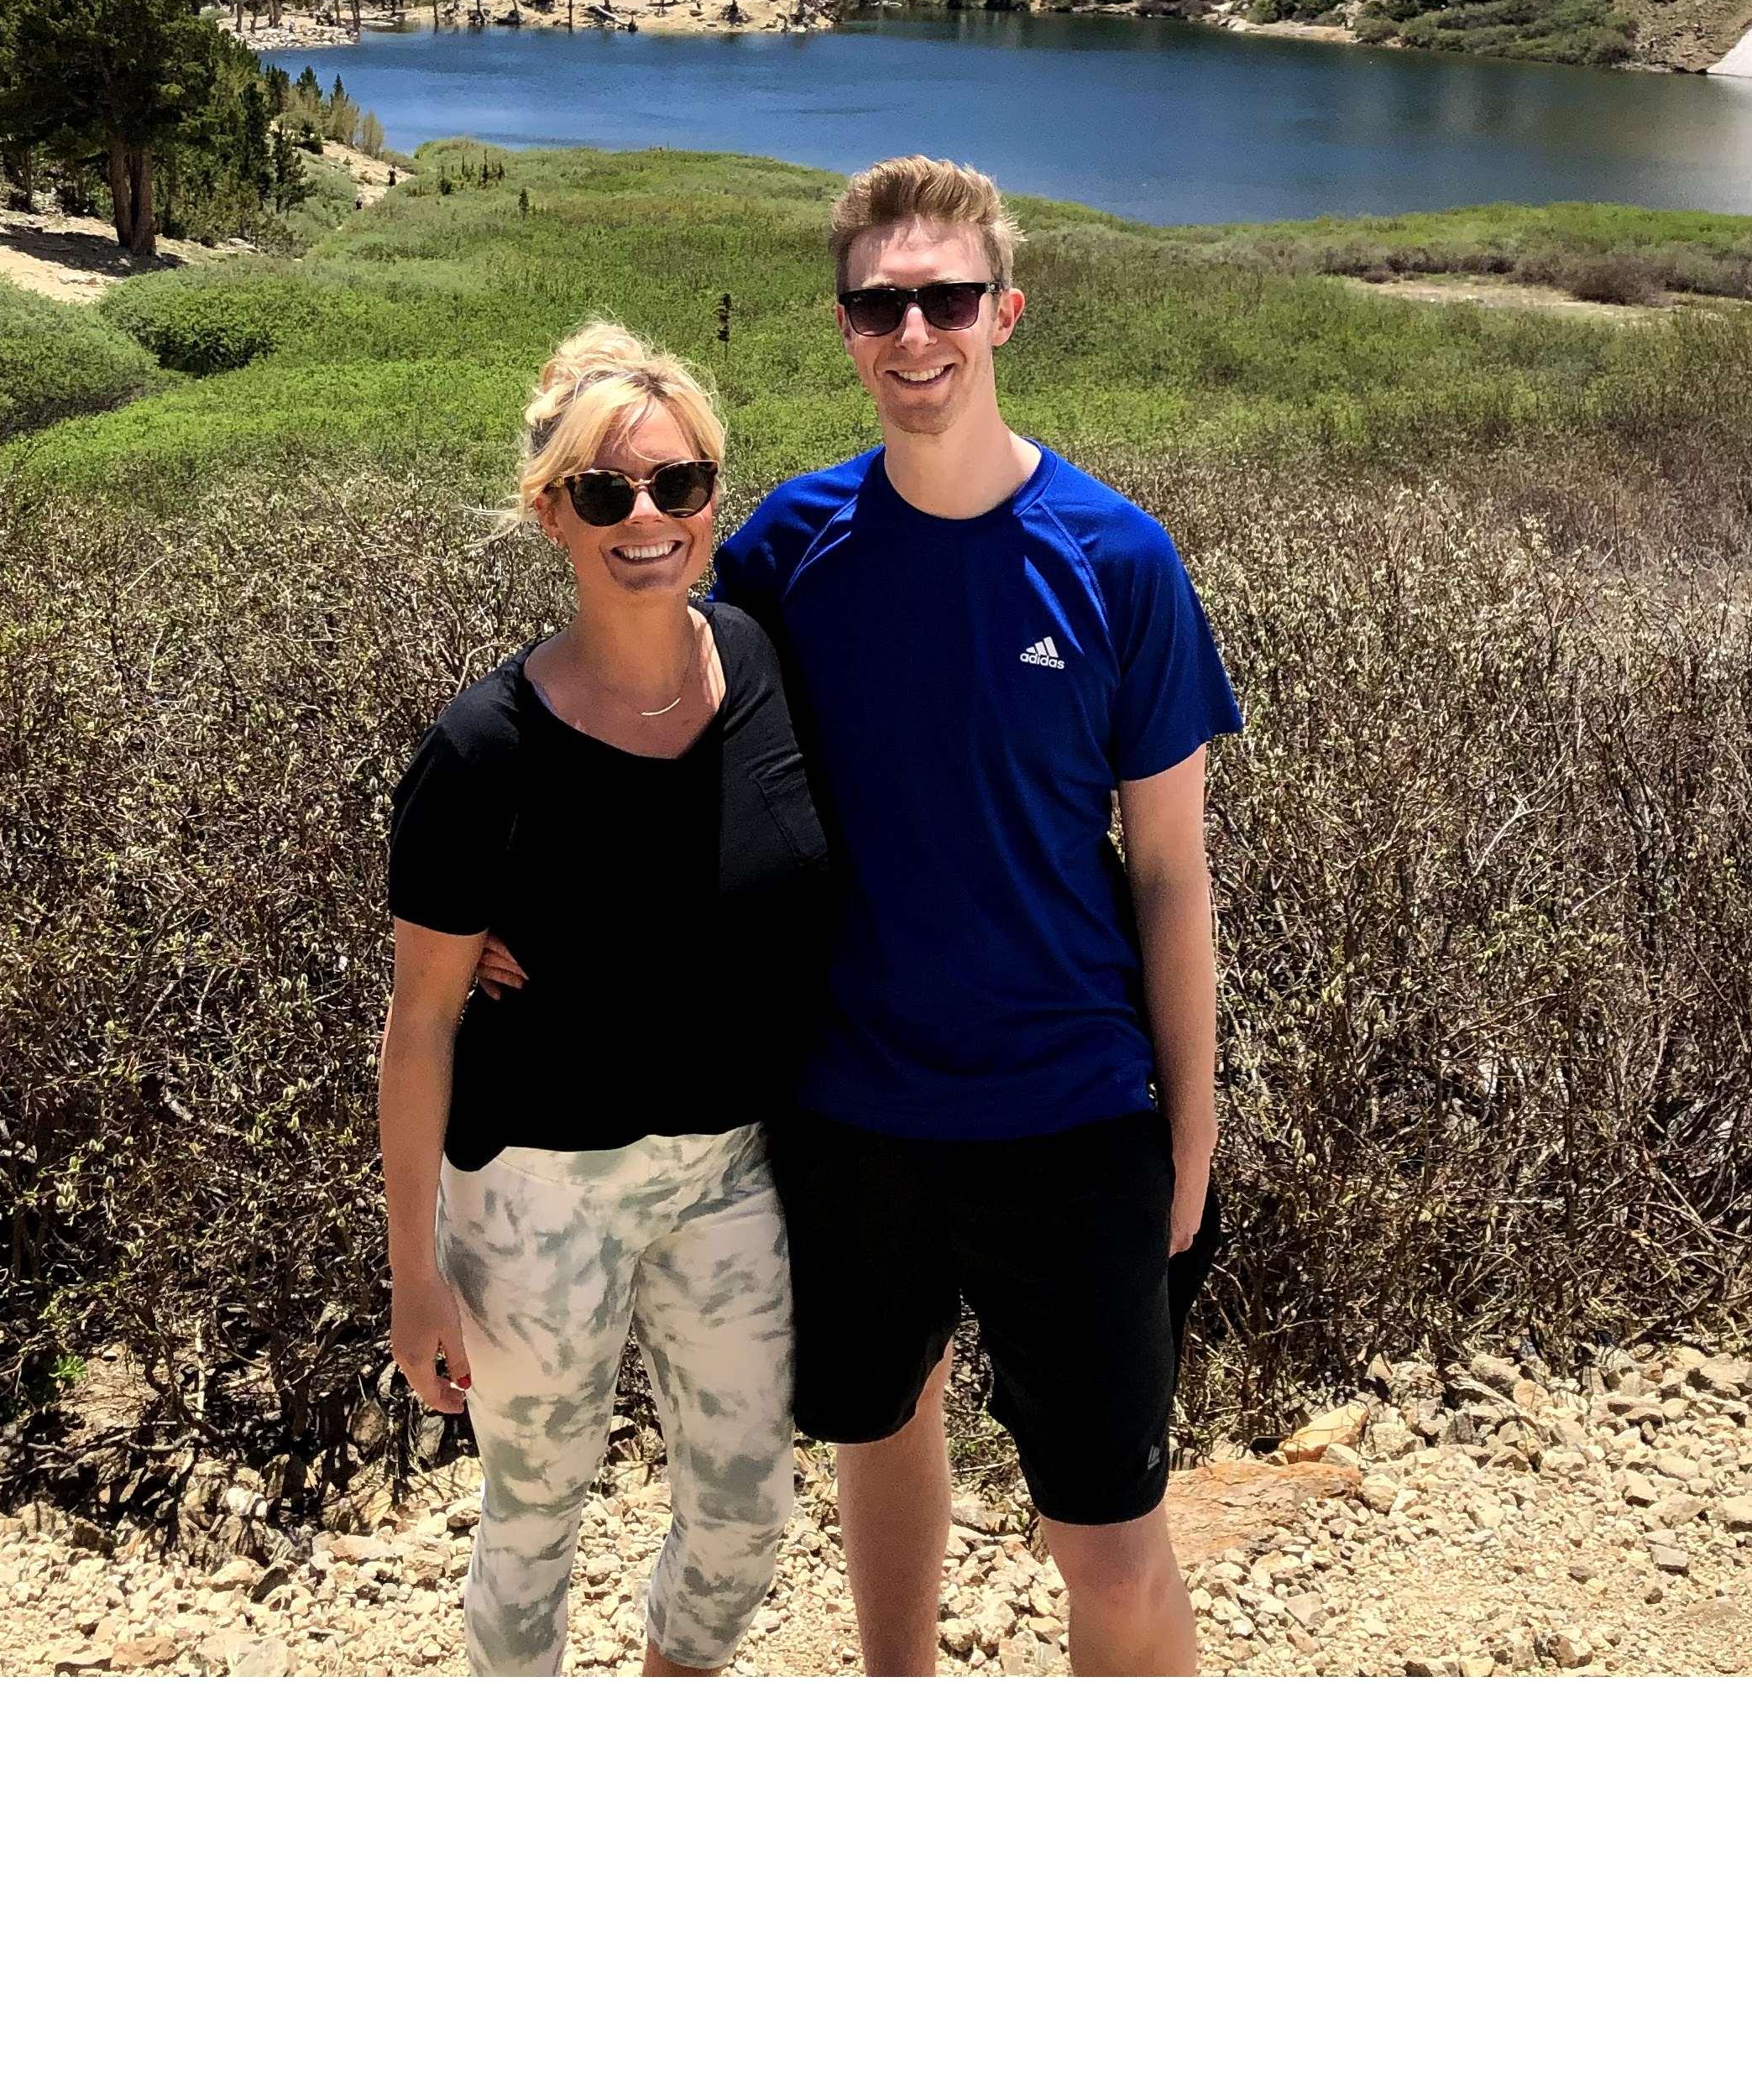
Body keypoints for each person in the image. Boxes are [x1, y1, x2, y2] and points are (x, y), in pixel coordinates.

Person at [713, 154, 1241, 1676]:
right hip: (854, 1110)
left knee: (1107, 1537)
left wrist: (1188, 1140)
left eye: (947, 299)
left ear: (1005, 312)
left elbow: (1170, 876)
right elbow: (674, 738)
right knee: (882, 1427)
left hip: (1072, 1115)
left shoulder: (1119, 561)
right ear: (846, 329)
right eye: (883, 306)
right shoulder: (787, 550)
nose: (917, 333)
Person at [379, 323, 831, 1677]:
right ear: (552, 515)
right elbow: (420, 1026)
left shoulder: (762, 662)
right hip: (536, 1187)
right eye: (605, 494)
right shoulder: (482, 751)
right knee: (532, 1521)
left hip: (727, 1169)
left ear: (715, 499)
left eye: (678, 487)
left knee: (751, 1511)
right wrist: (413, 1275)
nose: (647, 519)